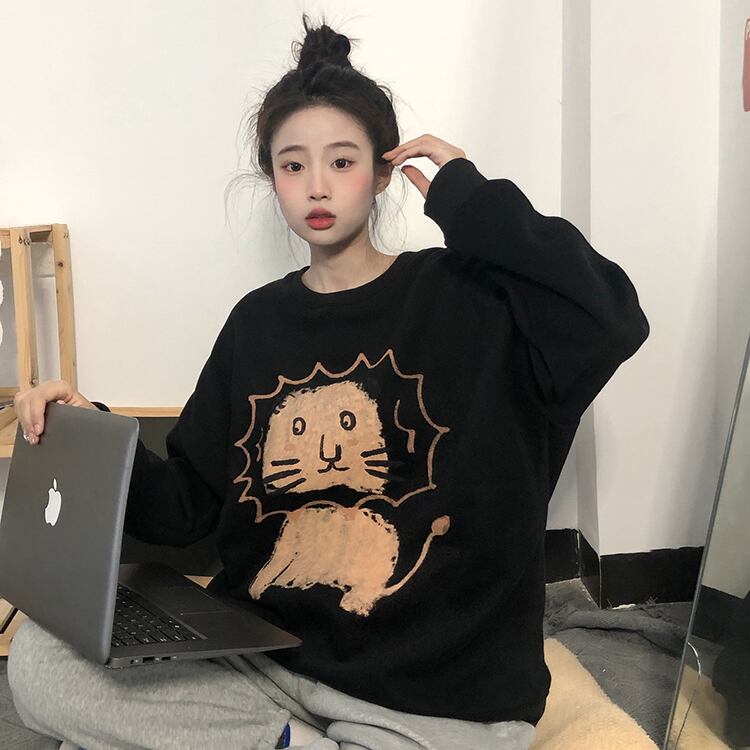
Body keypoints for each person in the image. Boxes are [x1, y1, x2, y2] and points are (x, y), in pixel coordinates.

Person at [6, 11, 650, 750]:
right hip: (268, 665)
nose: (317, 184)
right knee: (41, 660)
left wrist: (473, 200)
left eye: (342, 162)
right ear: (271, 180)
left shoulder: (470, 298)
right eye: (293, 166)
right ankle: (290, 741)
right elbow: (187, 507)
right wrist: (95, 432)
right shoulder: (256, 323)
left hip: (437, 694)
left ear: (384, 172)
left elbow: (610, 321)